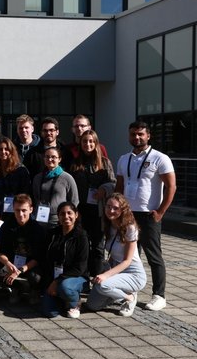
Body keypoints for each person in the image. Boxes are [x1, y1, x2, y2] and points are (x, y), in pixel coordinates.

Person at [115, 120, 176, 311]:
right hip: (128, 215)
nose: (137, 137)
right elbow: (119, 186)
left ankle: (159, 295)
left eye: (141, 134)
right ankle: (129, 293)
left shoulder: (160, 158)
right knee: (130, 256)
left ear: (148, 135)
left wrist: (161, 212)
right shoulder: (124, 159)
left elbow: (171, 186)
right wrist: (117, 212)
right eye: (133, 134)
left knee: (154, 256)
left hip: (149, 215)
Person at [86, 193, 147, 317]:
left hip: (133, 273)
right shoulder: (108, 224)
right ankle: (118, 293)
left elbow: (127, 261)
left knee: (103, 285)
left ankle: (129, 296)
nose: (111, 210)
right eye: (108, 207)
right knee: (92, 305)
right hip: (116, 269)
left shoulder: (130, 227)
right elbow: (113, 254)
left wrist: (105, 275)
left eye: (115, 208)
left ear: (123, 210)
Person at [70, 130, 116, 277]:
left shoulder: (104, 162)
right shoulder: (75, 164)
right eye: (84, 141)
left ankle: (97, 278)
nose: (88, 144)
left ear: (96, 143)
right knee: (82, 245)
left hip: (98, 211)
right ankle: (82, 278)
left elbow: (113, 183)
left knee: (97, 246)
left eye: (91, 141)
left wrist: (104, 188)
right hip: (80, 211)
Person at [42, 202, 89, 319]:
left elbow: (80, 268)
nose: (66, 216)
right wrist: (50, 282)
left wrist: (56, 282)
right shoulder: (52, 234)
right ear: (58, 216)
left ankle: (75, 303)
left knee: (65, 287)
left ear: (76, 215)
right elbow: (46, 259)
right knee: (50, 313)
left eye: (69, 213)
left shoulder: (81, 236)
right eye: (62, 214)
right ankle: (63, 301)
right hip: (56, 277)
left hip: (76, 277)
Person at [0, 194, 46, 304]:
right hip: (12, 263)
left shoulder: (38, 229)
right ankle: (16, 289)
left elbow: (38, 257)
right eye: (17, 210)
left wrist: (20, 270)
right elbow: (0, 252)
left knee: (36, 277)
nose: (20, 214)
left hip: (29, 265)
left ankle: (34, 290)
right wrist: (8, 263)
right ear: (13, 209)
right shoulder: (6, 227)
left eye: (24, 210)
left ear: (31, 209)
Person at [32, 146, 79, 229]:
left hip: (58, 222)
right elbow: (35, 198)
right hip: (40, 220)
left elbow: (74, 201)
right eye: (47, 157)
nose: (50, 159)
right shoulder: (38, 178)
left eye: (53, 157)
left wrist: (67, 217)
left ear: (59, 159)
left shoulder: (67, 178)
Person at [0, 138, 31, 220]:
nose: (3, 152)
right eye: (0, 149)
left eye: (6, 149)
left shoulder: (20, 170)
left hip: (15, 212)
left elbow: (25, 193)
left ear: (11, 151)